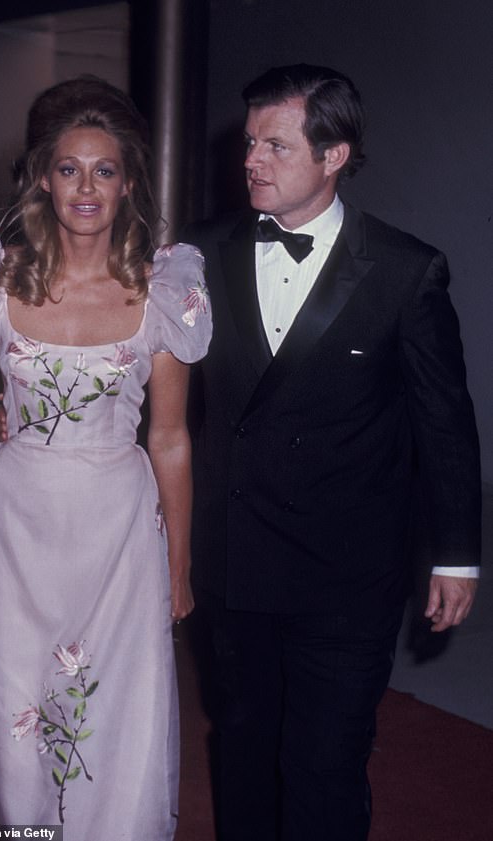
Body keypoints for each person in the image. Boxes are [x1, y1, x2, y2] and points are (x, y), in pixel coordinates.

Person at [0, 75, 211, 837]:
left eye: (104, 170)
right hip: (13, 525)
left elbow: (168, 436)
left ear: (128, 182)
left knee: (113, 716)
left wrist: (181, 562)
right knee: (10, 710)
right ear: (43, 179)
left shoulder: (164, 292)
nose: (86, 186)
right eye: (69, 169)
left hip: (119, 534)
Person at [185, 64, 481, 841]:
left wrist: (456, 553)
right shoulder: (198, 252)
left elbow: (442, 421)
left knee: (325, 762)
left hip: (347, 572)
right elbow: (153, 385)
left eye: (274, 146)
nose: (250, 160)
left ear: (334, 155)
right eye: (249, 143)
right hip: (233, 561)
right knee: (244, 747)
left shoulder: (406, 270)